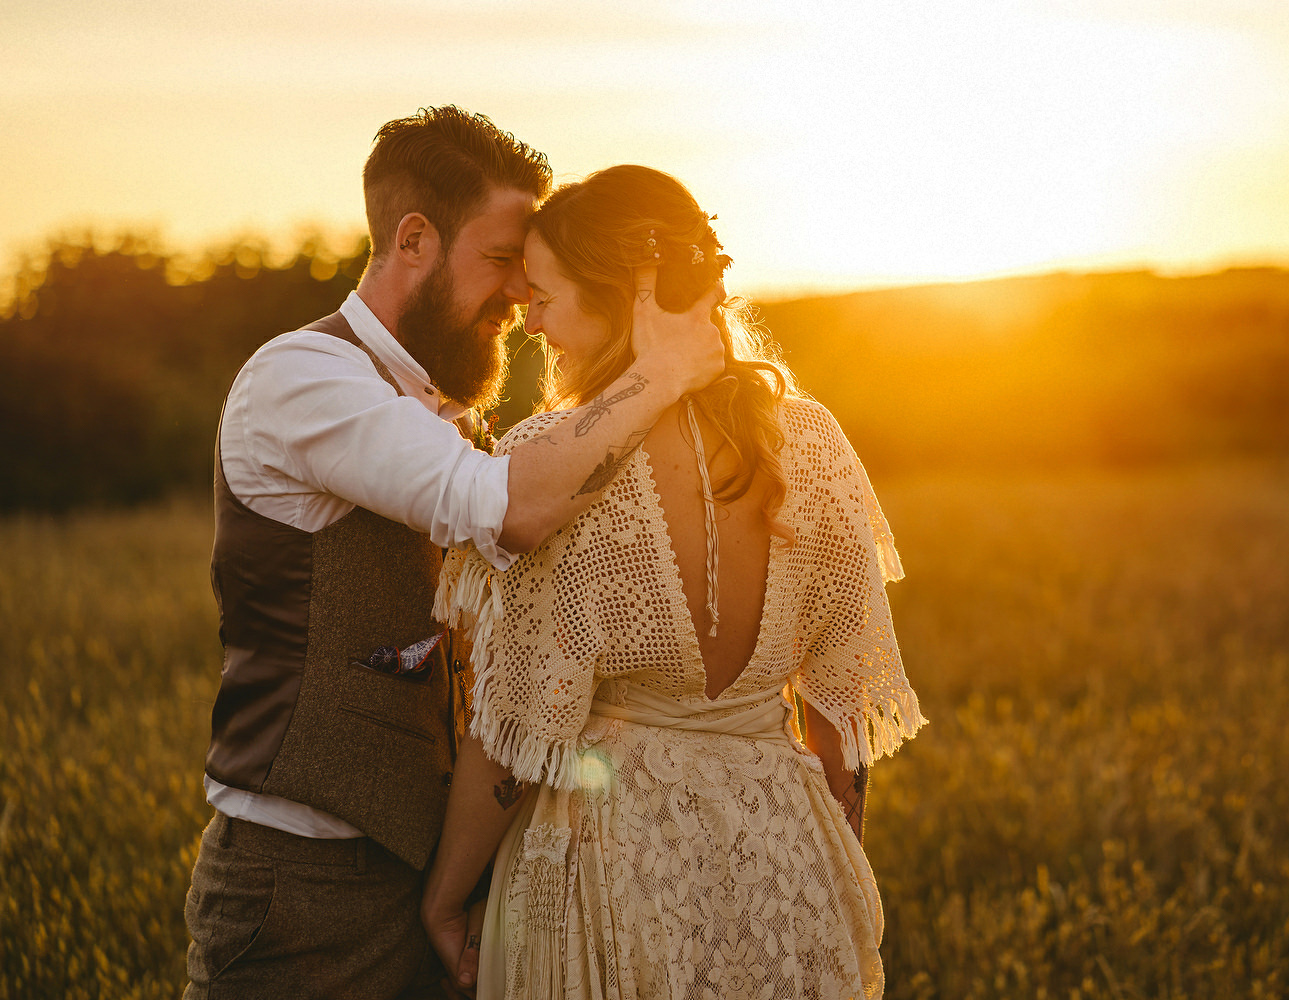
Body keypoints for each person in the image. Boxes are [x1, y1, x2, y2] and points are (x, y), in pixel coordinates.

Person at [183, 109, 724, 999]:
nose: (521, 292)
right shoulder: (303, 378)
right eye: (503, 259)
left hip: (437, 875)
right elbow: (509, 513)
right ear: (415, 239)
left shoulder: (445, 413)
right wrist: (660, 370)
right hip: (304, 892)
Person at [421, 165, 925, 999]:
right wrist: (821, 867)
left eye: (546, 293)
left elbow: (512, 733)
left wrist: (444, 898)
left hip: (608, 870)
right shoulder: (815, 442)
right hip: (782, 857)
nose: (530, 315)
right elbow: (839, 720)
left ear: (624, 298)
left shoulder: (551, 469)